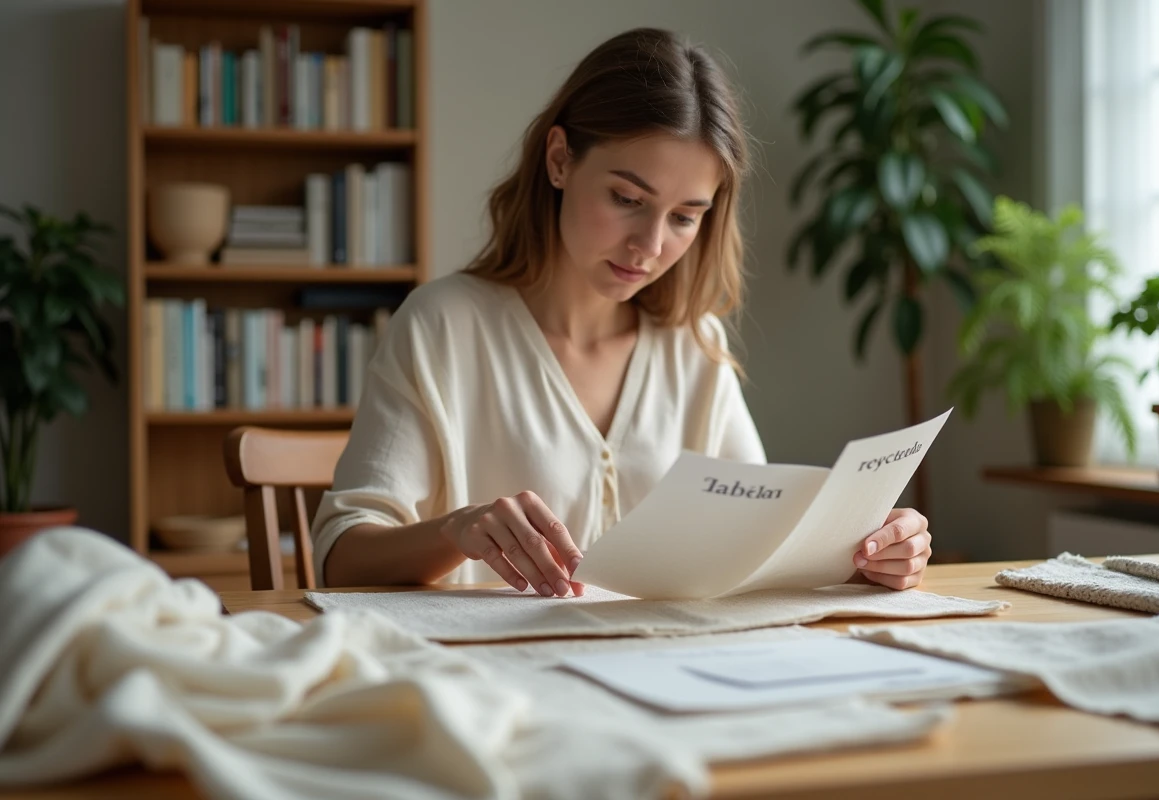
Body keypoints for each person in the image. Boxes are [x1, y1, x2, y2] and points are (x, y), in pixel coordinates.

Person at [311, 27, 933, 596]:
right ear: (559, 160)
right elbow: (341, 556)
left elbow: (761, 547)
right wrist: (456, 530)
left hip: (669, 690)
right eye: (627, 198)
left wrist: (869, 550)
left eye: (685, 217)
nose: (651, 245)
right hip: (499, 688)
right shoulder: (442, 327)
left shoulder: (693, 345)